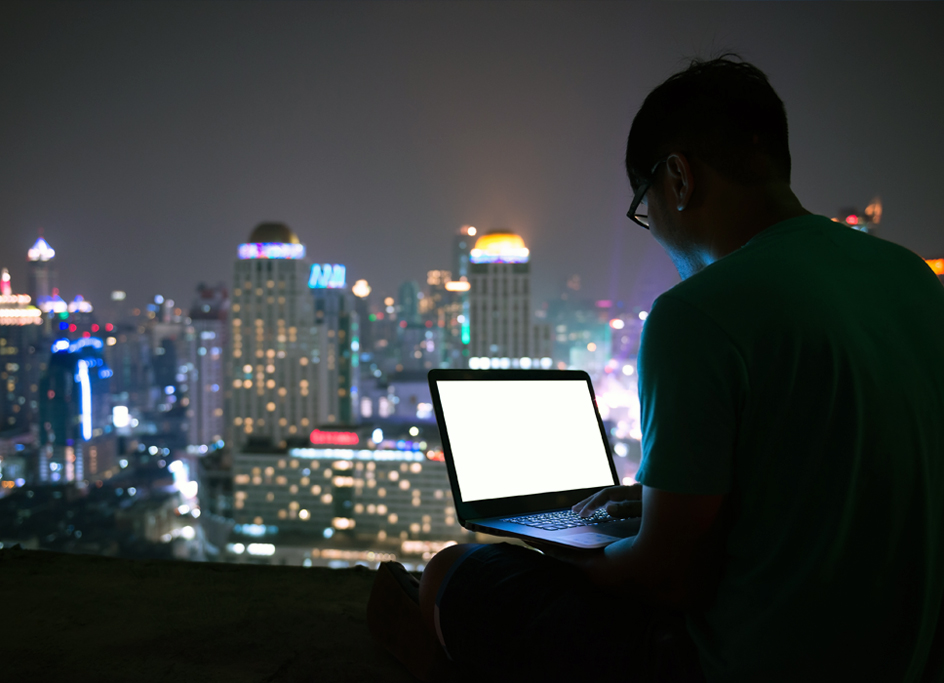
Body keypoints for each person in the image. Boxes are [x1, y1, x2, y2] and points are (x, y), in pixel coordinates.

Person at [367, 56, 944, 682]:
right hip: (908, 654)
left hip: (745, 663)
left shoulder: (700, 312)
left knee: (456, 570)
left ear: (678, 178)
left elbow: (666, 577)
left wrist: (581, 553)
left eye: (645, 206)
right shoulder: (912, 277)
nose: (655, 230)